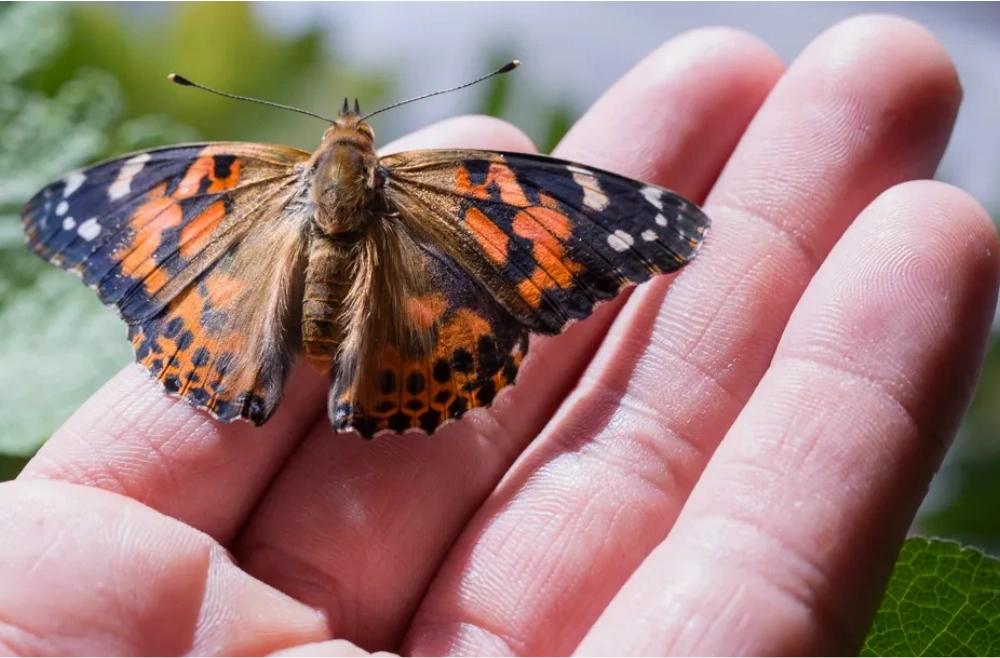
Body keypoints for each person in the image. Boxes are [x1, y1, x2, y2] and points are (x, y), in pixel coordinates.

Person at [1, 14, 995, 658]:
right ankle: (362, 377)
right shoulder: (463, 191)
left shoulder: (226, 177)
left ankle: (300, 370)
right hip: (398, 315)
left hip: (248, 304)